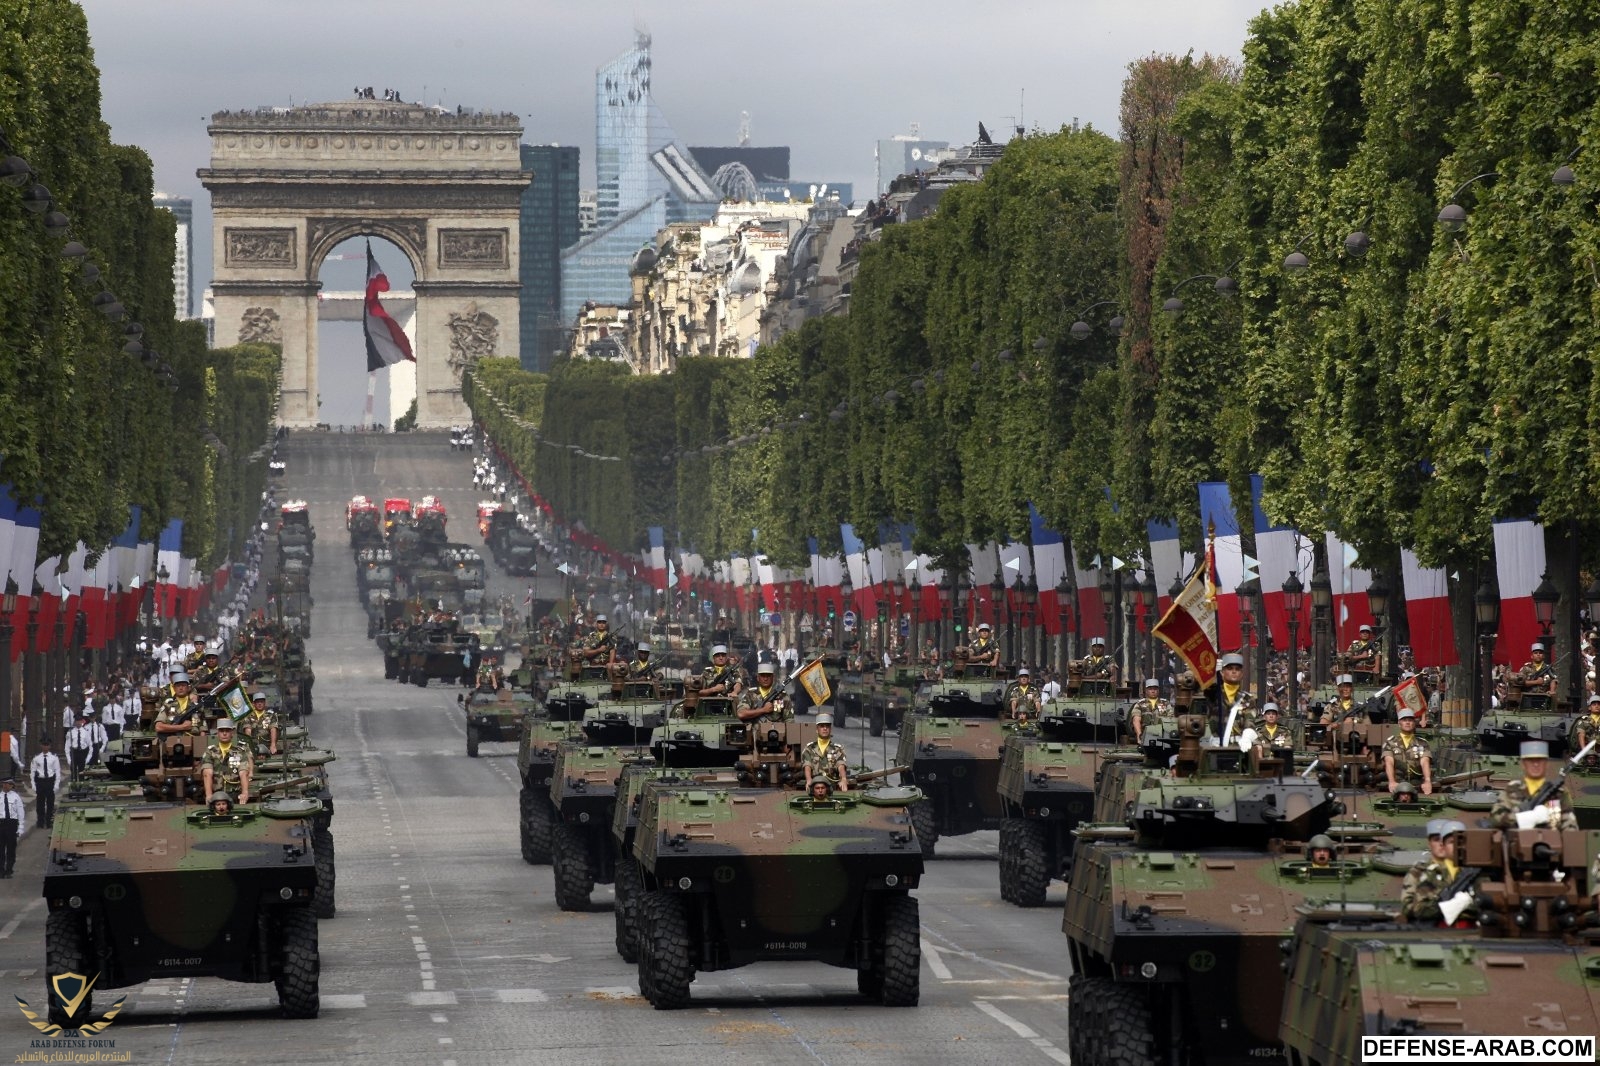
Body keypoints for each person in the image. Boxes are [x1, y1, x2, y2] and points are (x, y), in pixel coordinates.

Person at [1401, 819, 1478, 926]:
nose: (1440, 845)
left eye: (1457, 841)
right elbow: (1410, 907)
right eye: (1436, 840)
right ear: (1429, 843)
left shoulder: (1470, 870)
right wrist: (1444, 907)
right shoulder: (1421, 871)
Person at [1491, 740, 1578, 830]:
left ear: (1546, 764)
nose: (1536, 764)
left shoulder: (1559, 793)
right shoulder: (1511, 790)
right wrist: (1527, 818)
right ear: (1523, 764)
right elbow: (1496, 819)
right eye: (1530, 760)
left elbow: (1570, 826)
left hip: (1551, 842)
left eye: (1540, 760)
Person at [1382, 706, 1433, 796]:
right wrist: (1392, 781)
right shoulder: (1390, 742)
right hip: (1397, 784)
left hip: (1417, 784)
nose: (1407, 722)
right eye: (1404, 720)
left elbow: (1425, 762)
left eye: (1410, 720)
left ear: (1414, 723)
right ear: (1399, 723)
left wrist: (1427, 781)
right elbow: (1389, 762)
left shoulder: (1422, 743)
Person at [201, 720, 254, 805]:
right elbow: (207, 773)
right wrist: (209, 795)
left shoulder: (240, 751)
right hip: (216, 795)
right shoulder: (210, 751)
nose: (224, 733)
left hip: (234, 794)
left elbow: (243, 773)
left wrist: (245, 792)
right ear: (217, 733)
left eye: (227, 731)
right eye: (222, 731)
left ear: (232, 733)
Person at [801, 711, 849, 792]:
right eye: (822, 726)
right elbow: (807, 766)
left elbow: (841, 766)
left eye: (827, 726)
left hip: (832, 787)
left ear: (830, 729)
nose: (825, 728)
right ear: (817, 729)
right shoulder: (809, 748)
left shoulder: (837, 749)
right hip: (815, 787)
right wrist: (809, 780)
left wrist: (843, 779)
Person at [155, 669, 202, 735]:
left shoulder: (196, 704)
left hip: (193, 740)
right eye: (178, 686)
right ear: (174, 688)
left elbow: (203, 728)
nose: (180, 688)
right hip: (172, 740)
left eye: (183, 685)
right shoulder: (168, 704)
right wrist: (182, 727)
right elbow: (158, 727)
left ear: (188, 688)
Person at [29, 739, 59, 829]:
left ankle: (49, 821)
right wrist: (33, 785)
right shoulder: (36, 758)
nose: (45, 747)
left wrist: (56, 784)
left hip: (50, 781)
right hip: (40, 781)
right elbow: (33, 772)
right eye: (44, 745)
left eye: (47, 745)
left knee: (50, 804)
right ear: (41, 746)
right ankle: (40, 822)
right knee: (40, 804)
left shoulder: (54, 758)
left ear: (50, 746)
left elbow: (57, 771)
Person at [240, 692, 280, 758]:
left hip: (267, 745)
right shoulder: (248, 716)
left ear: (265, 703)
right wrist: (249, 747)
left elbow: (273, 729)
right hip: (253, 745)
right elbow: (248, 731)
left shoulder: (271, 715)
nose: (259, 704)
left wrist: (273, 745)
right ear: (253, 703)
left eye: (261, 702)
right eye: (257, 702)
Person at [0, 780, 22, 877]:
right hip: (1, 823)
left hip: (11, 824)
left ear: (11, 786)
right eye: (3, 783)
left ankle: (9, 869)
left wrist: (20, 827)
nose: (5, 785)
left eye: (7, 784)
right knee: (0, 849)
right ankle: (1, 870)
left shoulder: (16, 797)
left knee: (11, 848)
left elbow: (20, 813)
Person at [65, 714, 94, 783]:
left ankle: (82, 785)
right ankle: (73, 786)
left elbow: (90, 746)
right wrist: (69, 759)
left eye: (79, 721)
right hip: (74, 753)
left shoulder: (86, 732)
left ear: (82, 721)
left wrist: (88, 758)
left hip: (82, 753)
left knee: (82, 773)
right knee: (73, 773)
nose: (78, 723)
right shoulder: (70, 732)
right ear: (75, 722)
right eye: (77, 721)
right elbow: (67, 746)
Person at [1571, 694, 1600, 760]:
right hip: (1588, 752)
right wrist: (1584, 751)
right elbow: (1581, 735)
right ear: (1589, 707)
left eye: (1598, 704)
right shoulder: (1583, 720)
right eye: (1594, 704)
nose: (1597, 706)